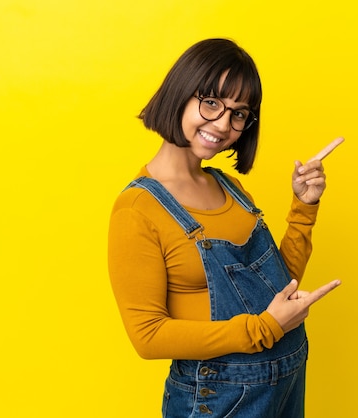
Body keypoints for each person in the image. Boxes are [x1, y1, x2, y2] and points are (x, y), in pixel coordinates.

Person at [108, 38, 342, 418]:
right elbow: (147, 336)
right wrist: (262, 329)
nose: (223, 125)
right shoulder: (137, 210)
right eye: (212, 103)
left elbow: (276, 289)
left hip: (284, 382)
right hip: (218, 400)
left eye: (239, 113)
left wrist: (305, 206)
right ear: (180, 93)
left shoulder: (229, 187)